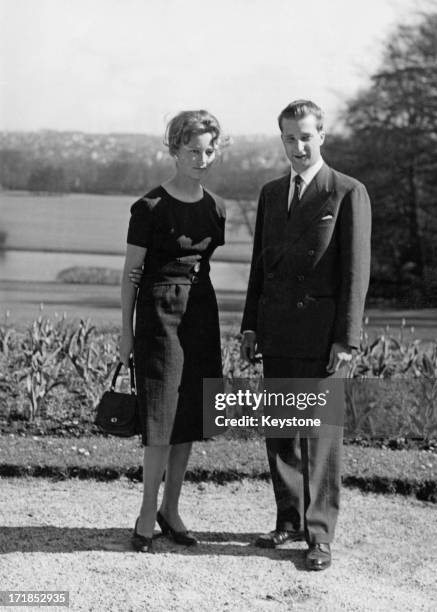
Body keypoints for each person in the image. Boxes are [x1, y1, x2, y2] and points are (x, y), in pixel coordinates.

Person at [240, 99, 371, 570]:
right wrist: (250, 325)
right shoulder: (272, 193)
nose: (299, 146)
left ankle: (319, 536)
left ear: (322, 135)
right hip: (276, 329)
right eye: (290, 138)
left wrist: (347, 340)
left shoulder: (347, 192)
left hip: (321, 337)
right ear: (281, 140)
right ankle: (289, 520)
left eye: (306, 136)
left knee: (319, 437)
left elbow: (356, 274)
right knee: (280, 432)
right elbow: (260, 265)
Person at [119, 110, 226, 552]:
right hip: (159, 315)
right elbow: (130, 274)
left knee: (188, 418)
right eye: (192, 150)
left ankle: (172, 509)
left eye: (209, 150)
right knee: (160, 418)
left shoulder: (216, 207)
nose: (201, 159)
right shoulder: (148, 207)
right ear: (174, 150)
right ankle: (147, 511)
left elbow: (204, 266)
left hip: (201, 315)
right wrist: (125, 333)